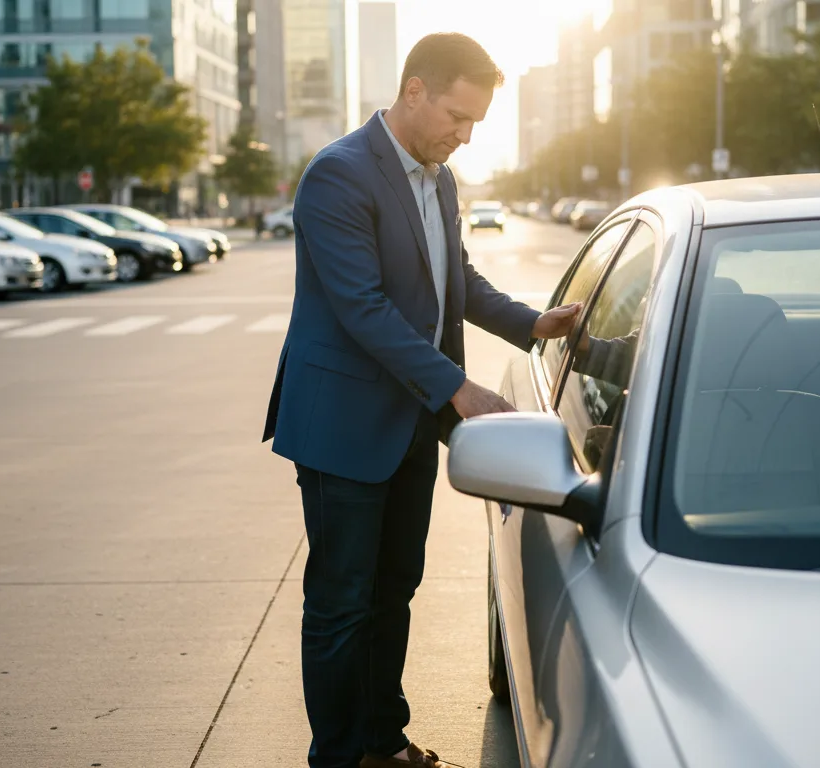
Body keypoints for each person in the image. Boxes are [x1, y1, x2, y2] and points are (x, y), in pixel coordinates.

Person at [261, 32, 582, 768]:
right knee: (342, 602)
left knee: (395, 588)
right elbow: (363, 308)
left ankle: (383, 741)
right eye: (457, 117)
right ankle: (339, 757)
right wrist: (459, 388)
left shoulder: (439, 177)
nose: (464, 136)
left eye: (475, 124)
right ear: (414, 91)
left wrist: (531, 323)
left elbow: (456, 281)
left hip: (408, 420)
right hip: (344, 425)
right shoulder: (337, 176)